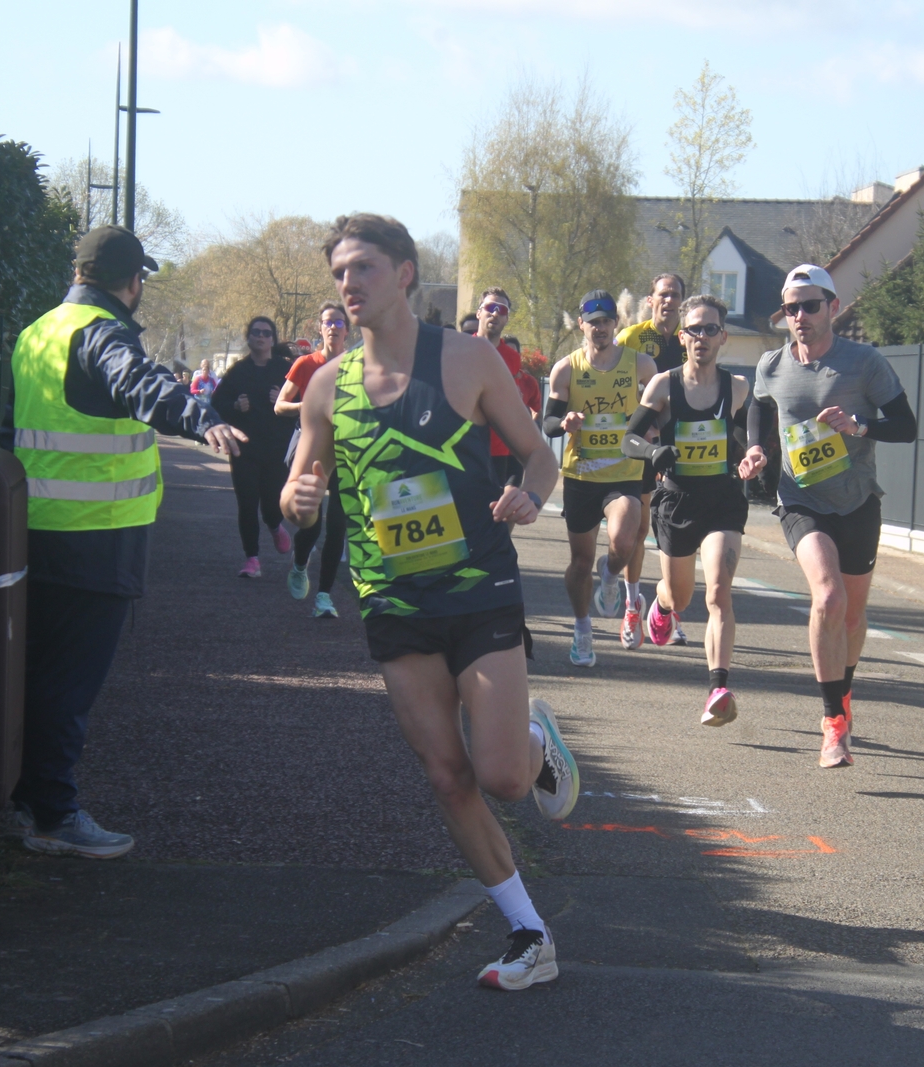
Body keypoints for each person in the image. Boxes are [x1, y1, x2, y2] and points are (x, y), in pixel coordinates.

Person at [282, 213, 577, 991]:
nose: (349, 284)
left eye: (365, 268)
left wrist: (529, 495)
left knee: (503, 777)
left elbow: (539, 456)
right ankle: (529, 931)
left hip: (478, 585)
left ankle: (535, 741)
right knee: (448, 775)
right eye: (340, 272)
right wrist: (298, 500)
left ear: (405, 273)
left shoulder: (469, 358)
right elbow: (301, 487)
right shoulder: (326, 386)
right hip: (393, 598)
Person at [0, 225, 247, 857]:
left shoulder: (37, 332)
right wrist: (201, 417)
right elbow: (138, 382)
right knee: (69, 687)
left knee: (35, 676)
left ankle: (23, 802)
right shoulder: (102, 332)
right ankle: (54, 814)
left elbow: (9, 430)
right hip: (96, 539)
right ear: (133, 281)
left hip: (33, 531)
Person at [741, 265, 918, 768]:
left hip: (857, 500)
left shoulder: (863, 363)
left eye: (810, 305)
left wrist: (858, 425)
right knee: (828, 597)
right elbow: (758, 408)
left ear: (833, 307)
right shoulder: (772, 365)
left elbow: (906, 426)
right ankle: (833, 722)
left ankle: (844, 692)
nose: (800, 316)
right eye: (791, 308)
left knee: (853, 616)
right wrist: (755, 448)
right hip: (800, 500)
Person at [620, 294, 751, 725]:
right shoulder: (664, 386)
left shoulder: (737, 388)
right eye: (694, 329)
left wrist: (752, 453)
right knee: (681, 597)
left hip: (722, 501)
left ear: (723, 337)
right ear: (683, 336)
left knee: (718, 592)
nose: (702, 337)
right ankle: (660, 604)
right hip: (676, 501)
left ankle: (718, 689)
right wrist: (652, 453)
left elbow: (746, 433)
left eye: (711, 329)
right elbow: (628, 440)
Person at [543, 290, 658, 666]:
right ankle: (582, 630)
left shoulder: (641, 365)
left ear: (616, 323)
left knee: (624, 541)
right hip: (581, 475)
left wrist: (653, 429)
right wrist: (565, 422)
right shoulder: (567, 369)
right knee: (580, 562)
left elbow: (662, 406)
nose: (601, 328)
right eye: (593, 323)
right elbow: (548, 422)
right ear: (582, 325)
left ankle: (610, 577)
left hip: (624, 472)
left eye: (606, 321)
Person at [614, 272, 689, 645]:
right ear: (651, 300)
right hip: (644, 445)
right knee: (640, 529)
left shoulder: (690, 338)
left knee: (678, 532)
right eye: (663, 294)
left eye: (675, 295)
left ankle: (669, 609)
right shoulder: (632, 338)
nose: (669, 300)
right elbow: (610, 380)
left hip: (680, 448)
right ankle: (632, 607)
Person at [275, 302, 350, 617]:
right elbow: (280, 405)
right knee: (312, 522)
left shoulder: (356, 365)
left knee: (338, 526)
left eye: (339, 322)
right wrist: (309, 406)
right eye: (328, 322)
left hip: (345, 449)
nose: (333, 327)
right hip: (311, 447)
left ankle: (324, 597)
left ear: (347, 330)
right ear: (319, 328)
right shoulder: (306, 364)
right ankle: (300, 562)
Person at [213, 316, 297, 576]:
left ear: (272, 339)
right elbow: (216, 405)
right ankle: (252, 559)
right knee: (247, 504)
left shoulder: (286, 370)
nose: (260, 336)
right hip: (244, 448)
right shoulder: (238, 371)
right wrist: (235, 406)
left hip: (277, 448)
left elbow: (305, 404)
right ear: (248, 338)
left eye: (266, 333)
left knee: (272, 504)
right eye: (256, 332)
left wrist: (283, 401)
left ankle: (275, 525)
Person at [474, 288, 543, 487]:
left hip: (501, 448)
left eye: (502, 310)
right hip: (469, 445)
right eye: (490, 307)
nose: (495, 313)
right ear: (479, 313)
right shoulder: (461, 349)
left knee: (500, 504)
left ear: (506, 319)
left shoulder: (512, 357)